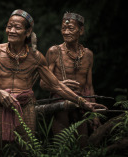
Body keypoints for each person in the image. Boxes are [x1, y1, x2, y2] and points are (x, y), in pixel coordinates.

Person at [0, 9, 105, 156]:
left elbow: (56, 85)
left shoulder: (36, 58)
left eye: (17, 27)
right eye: (9, 26)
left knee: (27, 152)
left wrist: (83, 102)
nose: (11, 31)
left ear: (28, 32)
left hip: (26, 106)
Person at [40, 12, 101, 147]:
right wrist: (59, 84)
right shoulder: (54, 51)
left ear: (81, 30)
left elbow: (89, 87)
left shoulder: (88, 55)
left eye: (71, 29)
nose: (66, 32)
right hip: (59, 105)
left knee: (83, 145)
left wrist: (94, 114)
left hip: (82, 105)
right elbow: (43, 83)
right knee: (62, 147)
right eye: (63, 28)